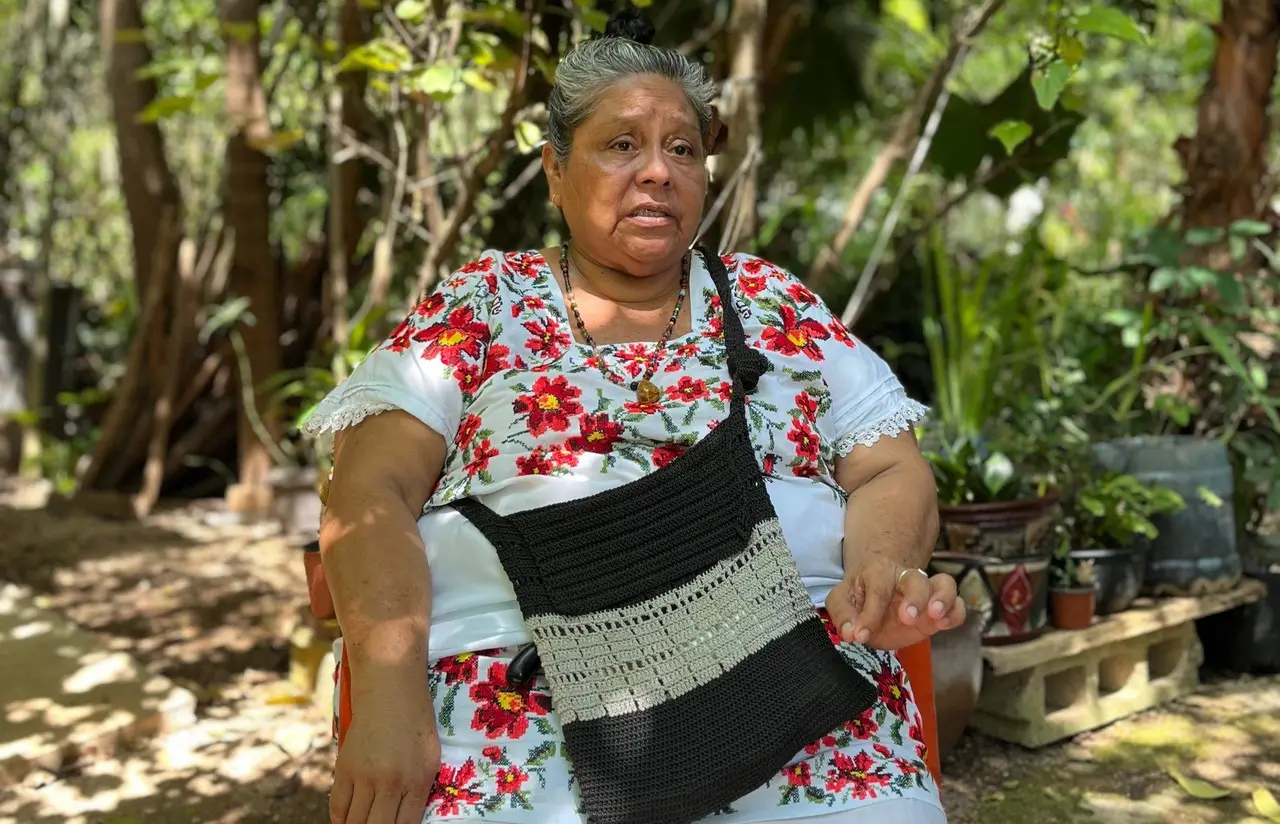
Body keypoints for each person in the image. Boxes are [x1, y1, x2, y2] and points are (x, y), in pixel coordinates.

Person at [307, 9, 962, 824]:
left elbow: (891, 467)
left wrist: (880, 568)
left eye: (681, 149)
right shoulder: (483, 305)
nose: (657, 171)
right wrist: (386, 699)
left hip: (797, 696)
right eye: (620, 145)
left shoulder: (773, 304)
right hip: (517, 715)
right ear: (554, 169)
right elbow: (367, 493)